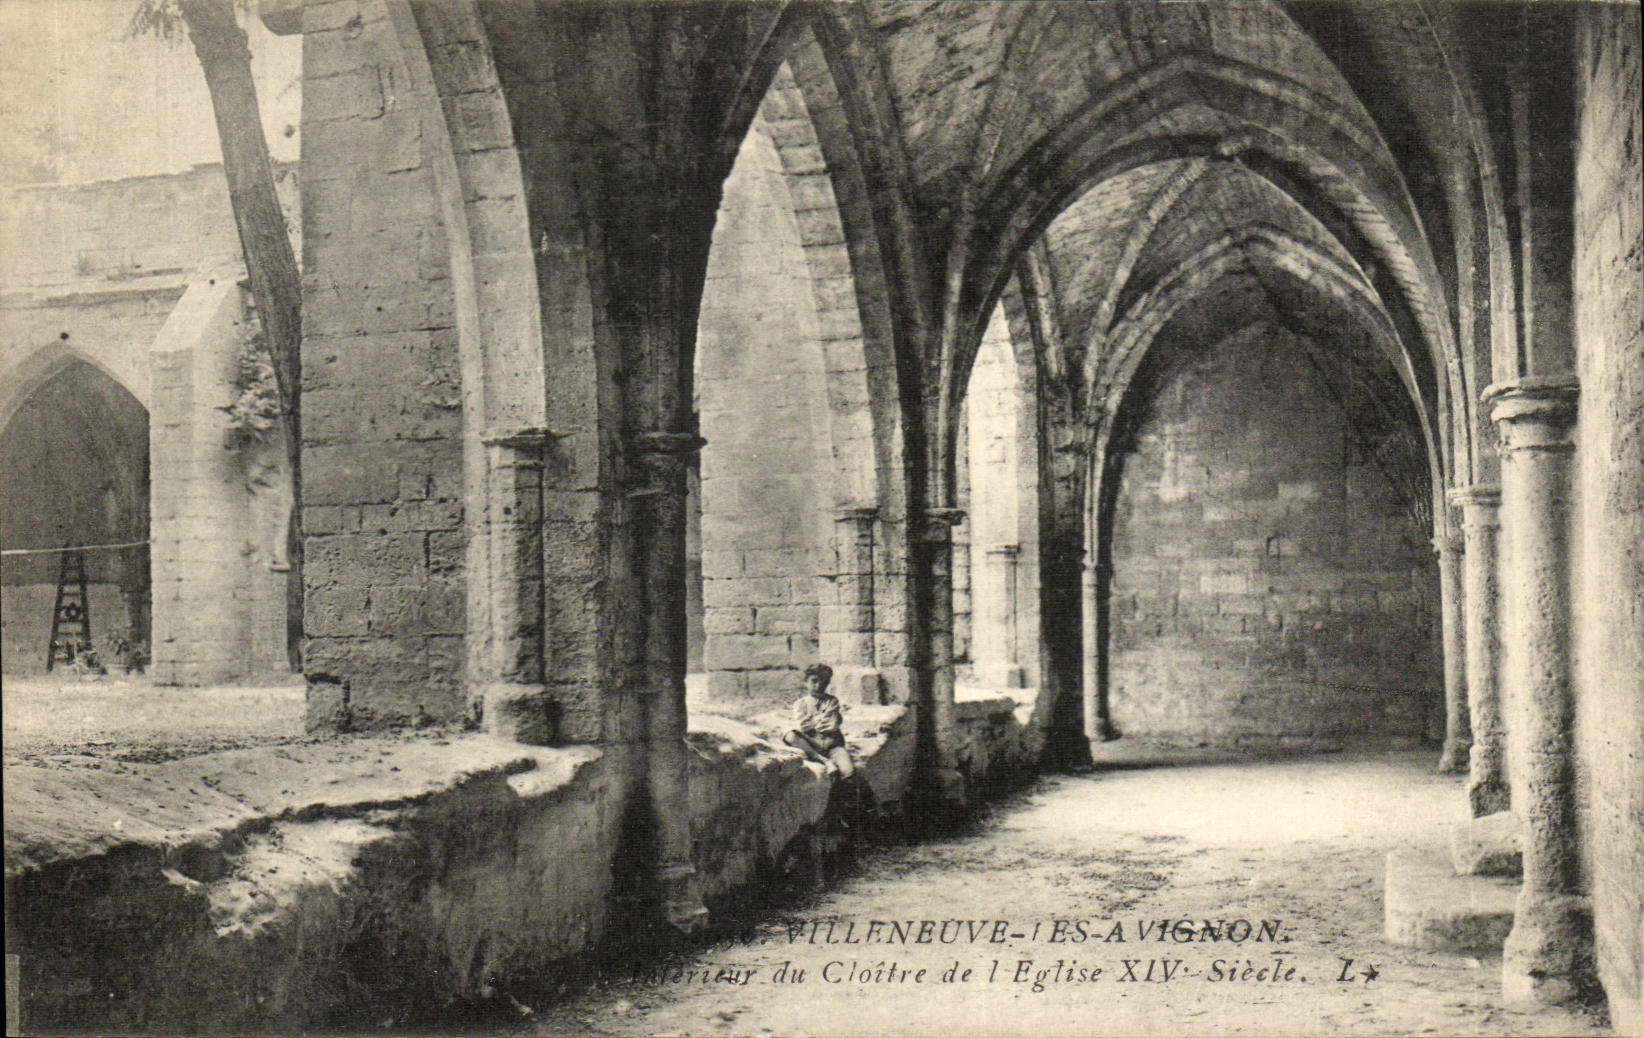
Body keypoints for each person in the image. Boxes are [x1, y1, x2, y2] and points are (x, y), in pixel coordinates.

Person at [784, 663, 854, 778]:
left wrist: (813, 721)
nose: (819, 685)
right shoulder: (800, 704)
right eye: (814, 681)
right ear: (805, 683)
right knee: (790, 735)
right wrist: (821, 718)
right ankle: (822, 760)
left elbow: (831, 726)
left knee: (848, 771)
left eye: (824, 681)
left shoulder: (832, 701)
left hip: (832, 745)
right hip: (812, 744)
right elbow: (803, 726)